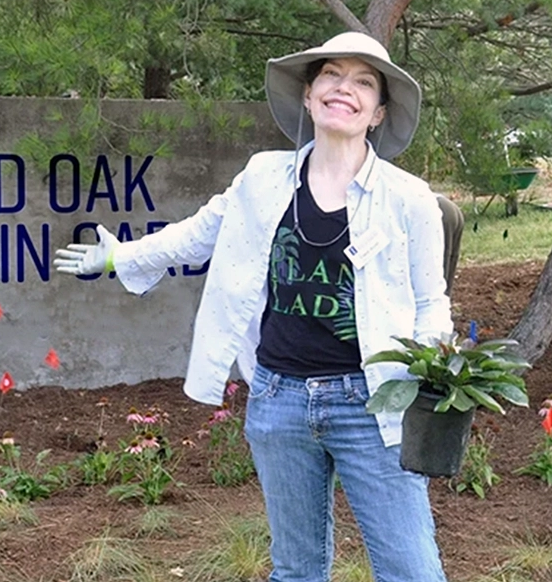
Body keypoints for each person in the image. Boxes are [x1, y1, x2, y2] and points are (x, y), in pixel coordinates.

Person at [53, 31, 452, 582]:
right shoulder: (263, 177)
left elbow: (432, 302)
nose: (344, 89)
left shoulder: (409, 198)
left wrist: (433, 375)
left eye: (363, 82)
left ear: (378, 112)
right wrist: (119, 257)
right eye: (331, 76)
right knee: (295, 570)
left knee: (413, 572)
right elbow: (197, 235)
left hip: (373, 404)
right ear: (309, 97)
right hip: (279, 400)